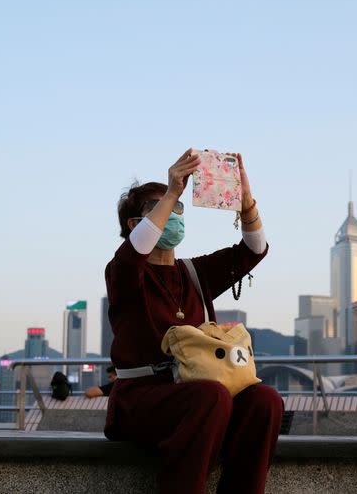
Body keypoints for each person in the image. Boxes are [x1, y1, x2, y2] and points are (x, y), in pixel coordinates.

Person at [103, 149, 283, 494]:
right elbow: (133, 256)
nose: (175, 213)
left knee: (265, 400)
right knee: (210, 396)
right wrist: (171, 191)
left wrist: (246, 203)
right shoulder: (124, 272)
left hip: (199, 395)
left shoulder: (193, 272)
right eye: (164, 207)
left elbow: (254, 249)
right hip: (143, 400)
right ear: (134, 224)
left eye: (179, 207)